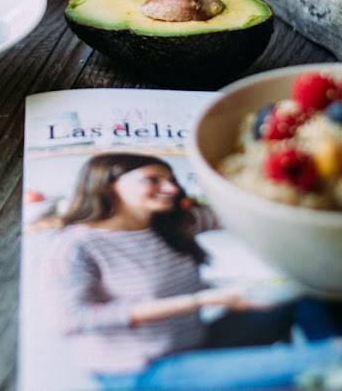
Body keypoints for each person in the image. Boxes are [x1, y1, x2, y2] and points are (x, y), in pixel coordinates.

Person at [39, 152, 341, 390]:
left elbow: (237, 213)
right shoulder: (76, 245)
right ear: (108, 185)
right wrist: (204, 300)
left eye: (171, 180)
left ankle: (328, 364)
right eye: (153, 180)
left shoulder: (173, 225)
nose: (170, 188)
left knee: (310, 295)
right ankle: (327, 360)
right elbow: (68, 319)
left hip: (197, 343)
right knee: (332, 357)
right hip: (140, 372)